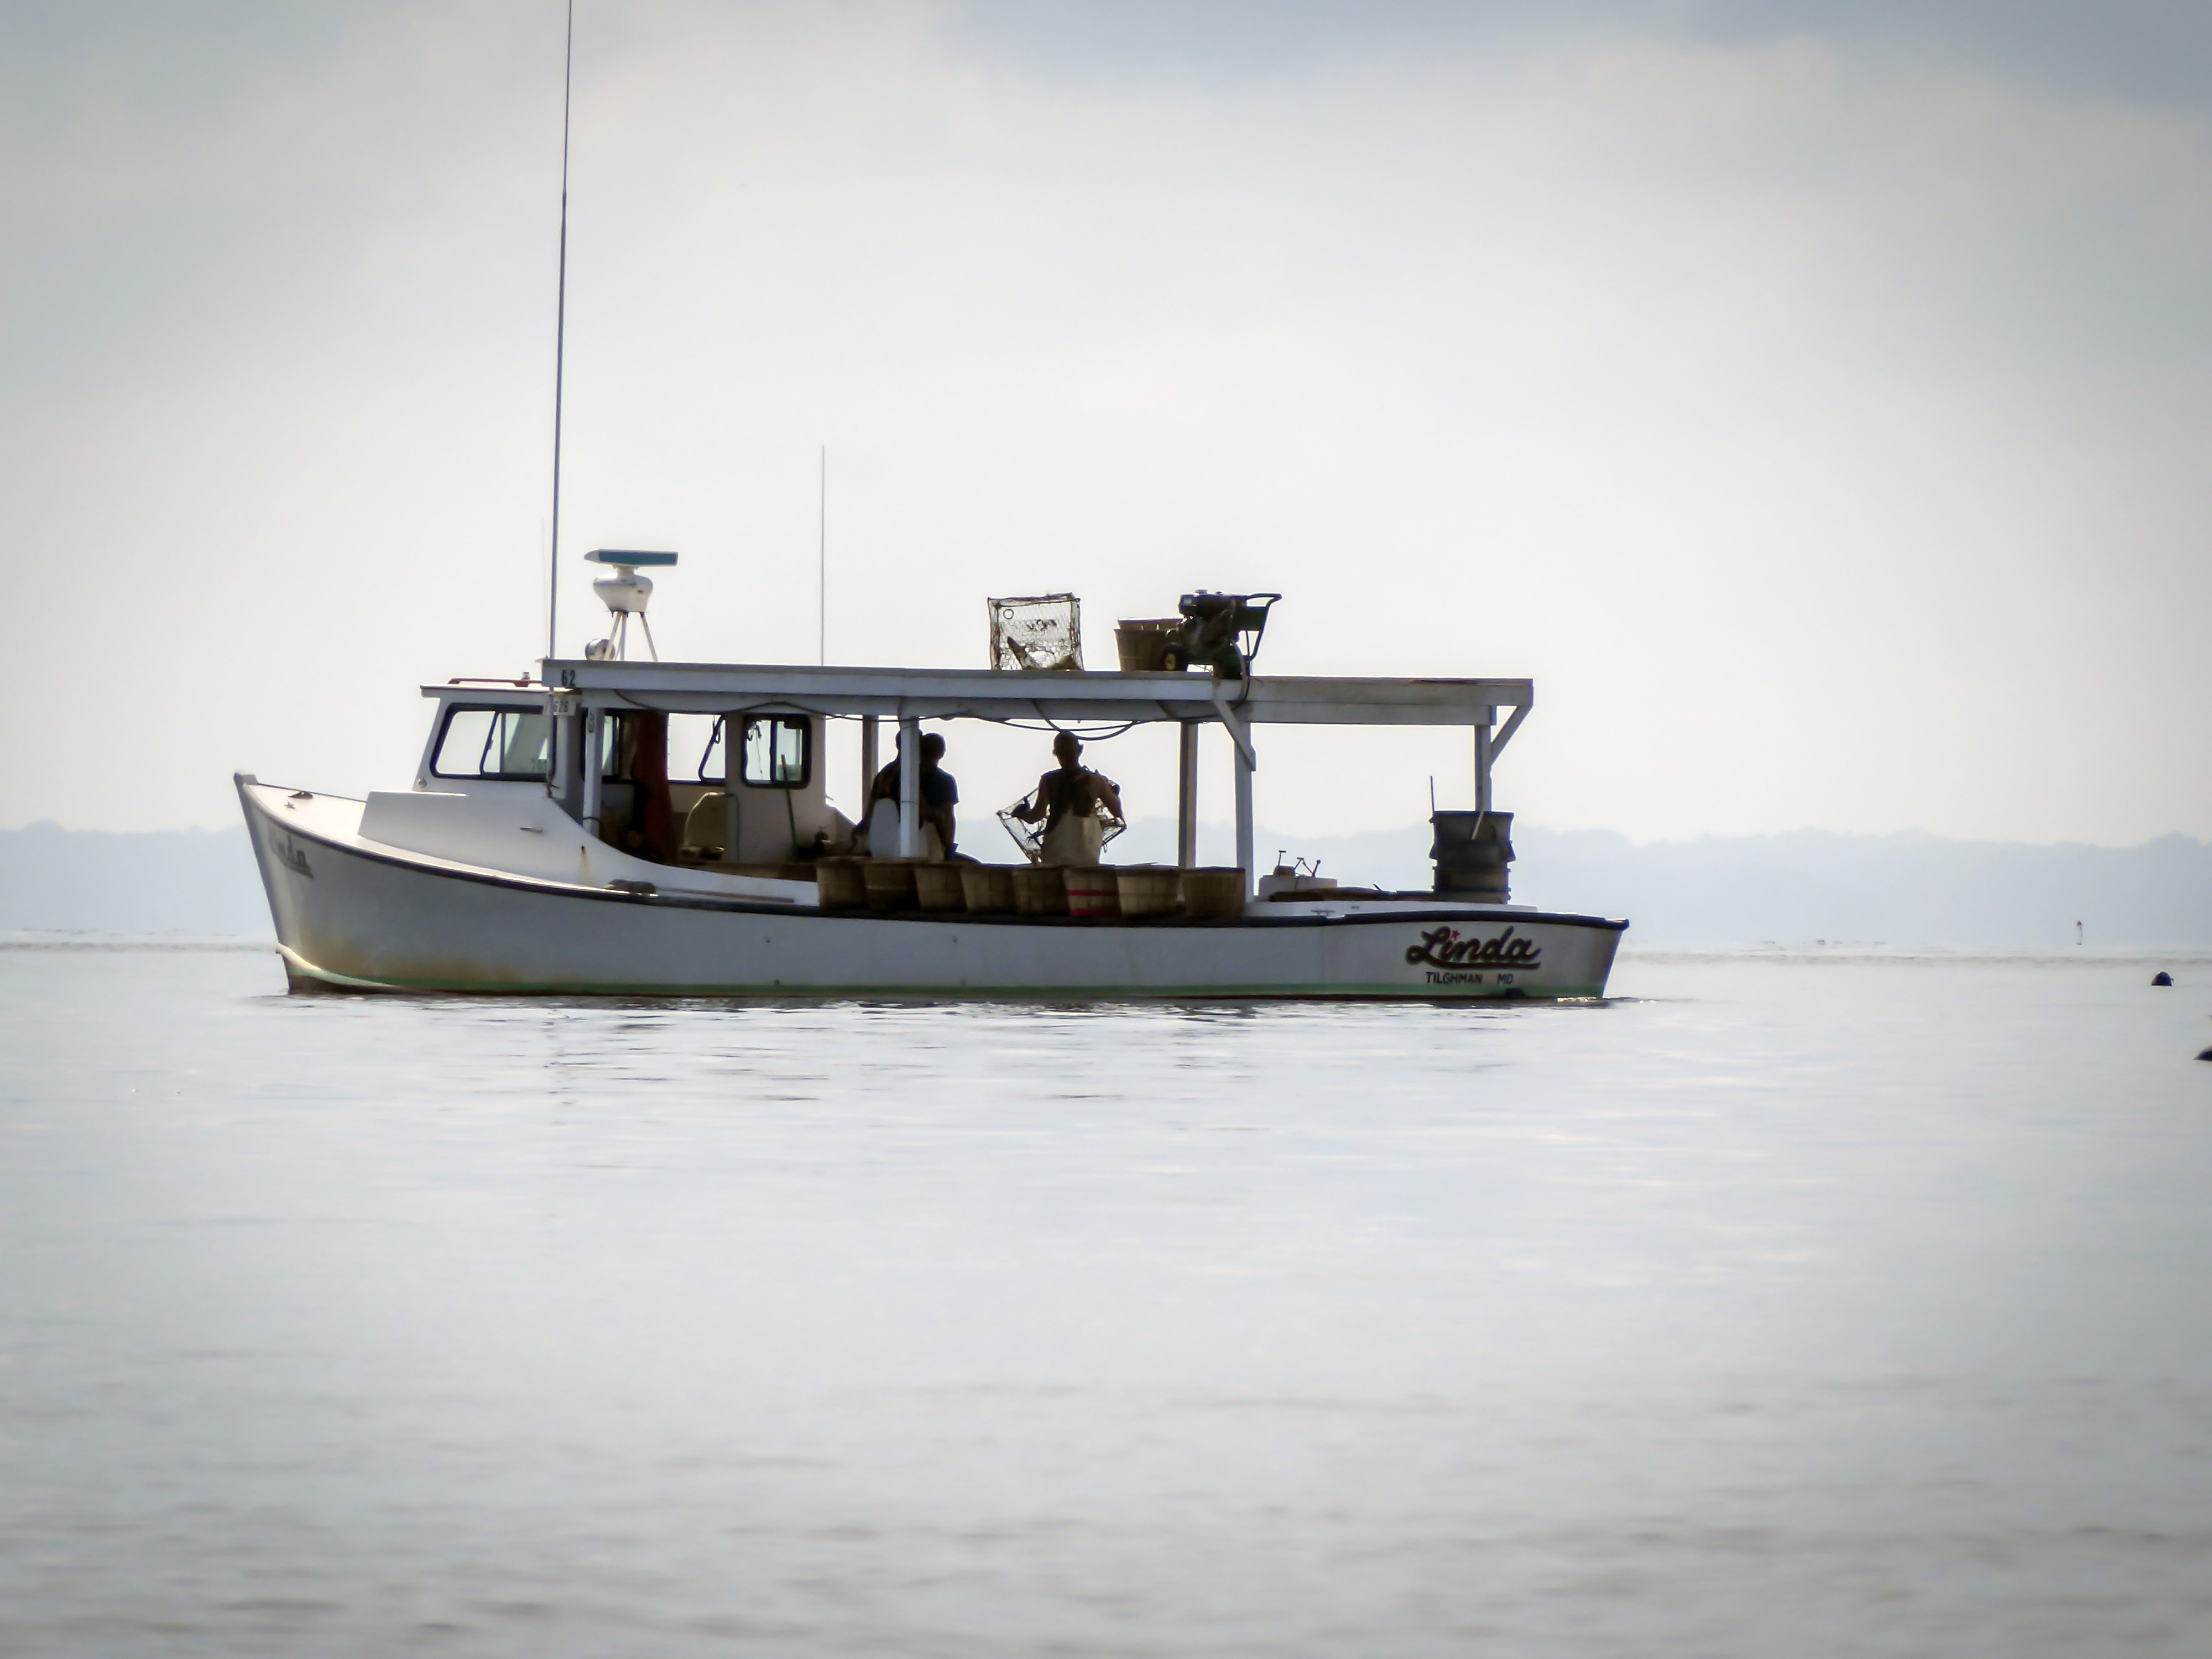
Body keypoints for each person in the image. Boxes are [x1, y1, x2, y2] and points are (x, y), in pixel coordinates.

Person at [1011, 731, 1120, 868]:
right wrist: (1113, 792)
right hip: (1087, 855)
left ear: (1056, 754)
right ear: (1080, 750)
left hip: (1056, 853)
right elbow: (1117, 812)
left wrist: (1022, 812)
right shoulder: (1096, 781)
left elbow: (1036, 815)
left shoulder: (1049, 780)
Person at [865, 730, 958, 858]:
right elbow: (946, 817)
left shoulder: (884, 775)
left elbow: (870, 814)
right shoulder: (941, 780)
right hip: (920, 842)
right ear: (941, 754)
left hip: (884, 843)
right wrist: (948, 846)